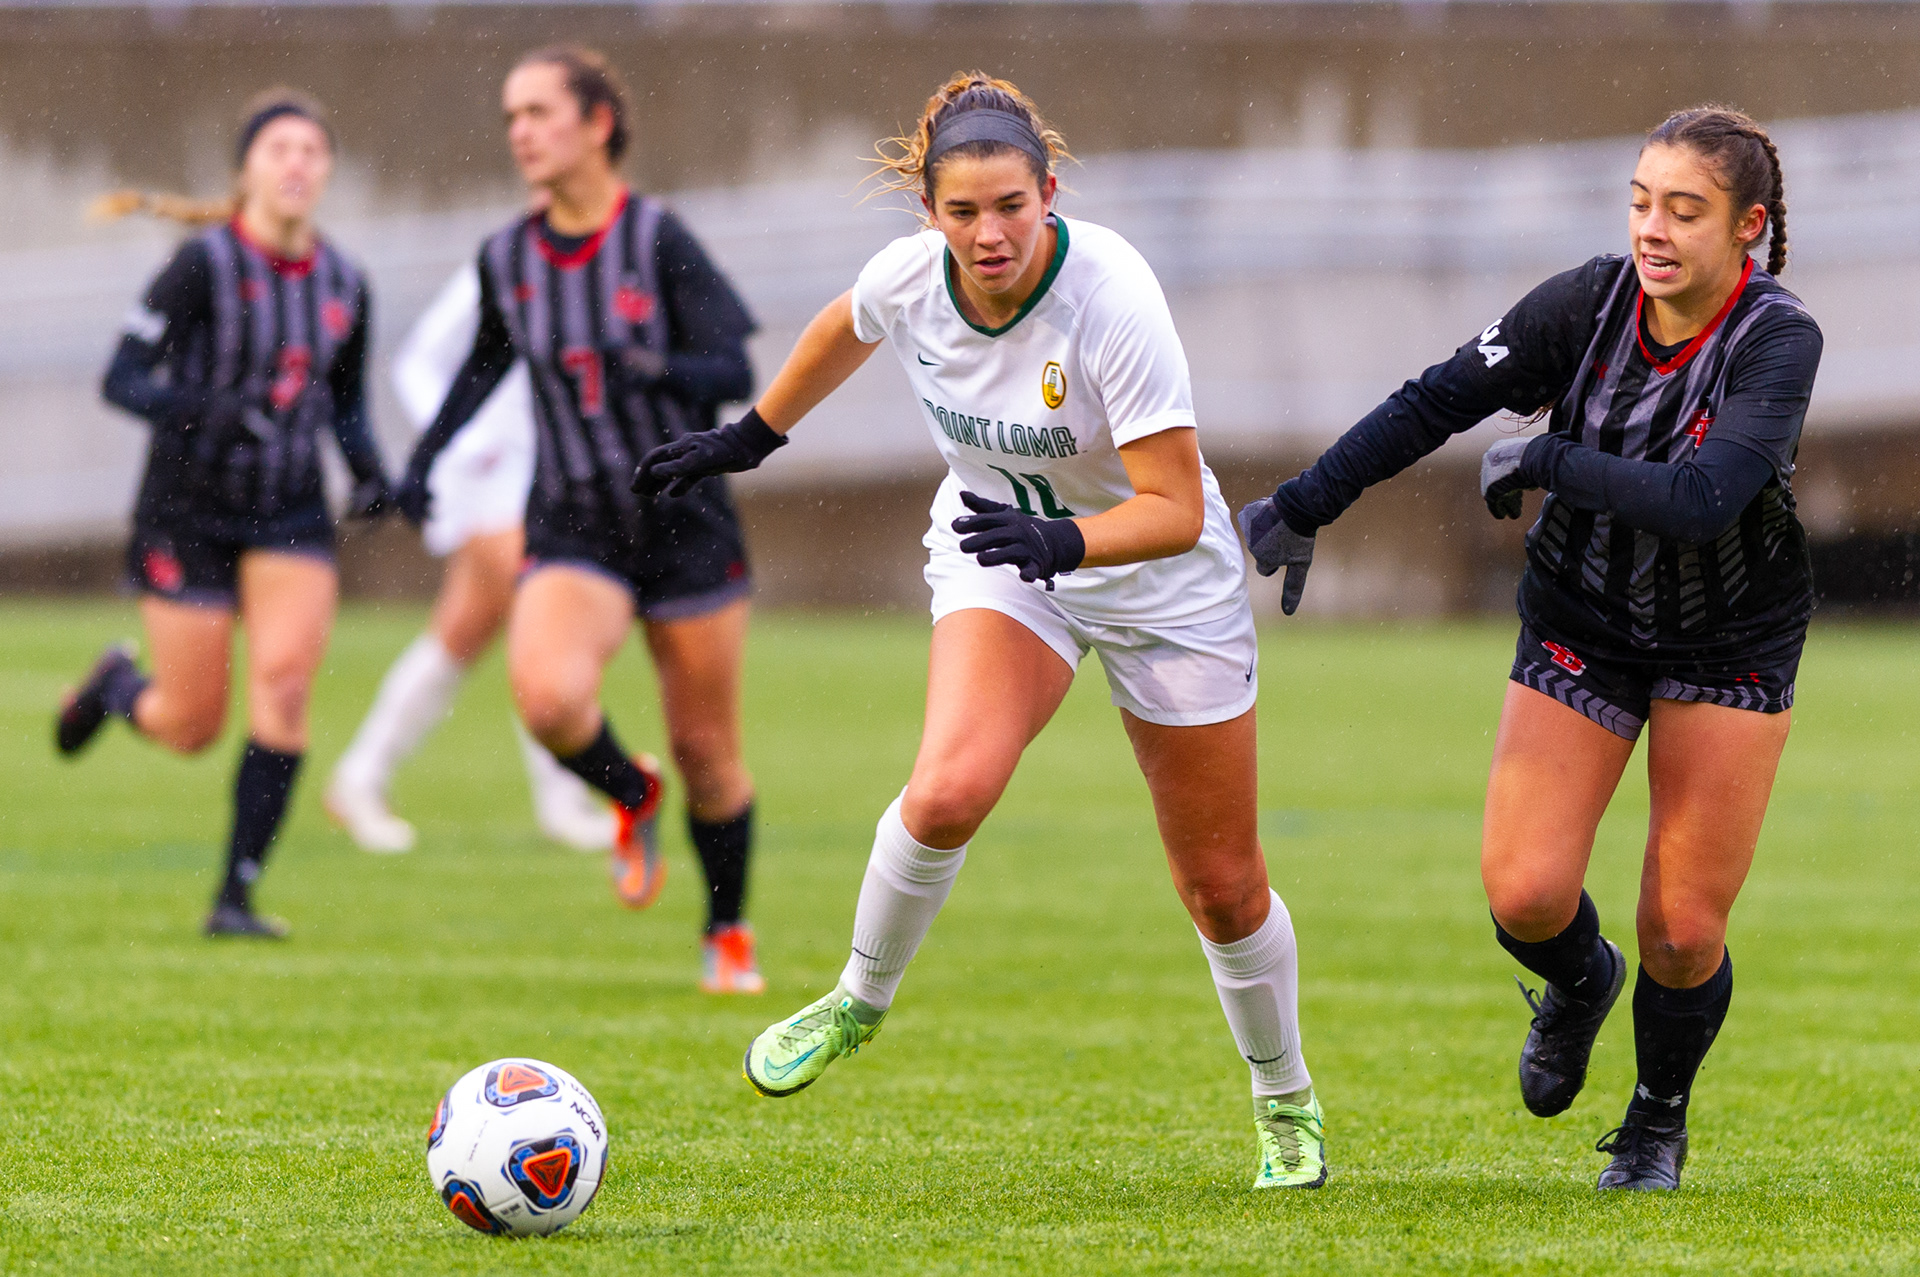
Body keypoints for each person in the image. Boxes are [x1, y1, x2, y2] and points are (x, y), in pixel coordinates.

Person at [637, 71, 1328, 1189]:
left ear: (1050, 193)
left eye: (1011, 205)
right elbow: (843, 326)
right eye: (962, 212)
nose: (989, 233)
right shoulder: (911, 277)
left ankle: (1284, 1096)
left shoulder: (1112, 294)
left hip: (1159, 582)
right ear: (930, 213)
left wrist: (1067, 539)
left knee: (1222, 886)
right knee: (948, 789)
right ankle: (857, 999)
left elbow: (1171, 507)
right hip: (1001, 552)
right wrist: (754, 436)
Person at [1237, 106, 1820, 1191]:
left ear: (1748, 226)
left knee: (1683, 929)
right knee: (1525, 894)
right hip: (1583, 616)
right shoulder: (1585, 303)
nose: (1653, 229)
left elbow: (1704, 501)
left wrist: (1550, 457)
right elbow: (1438, 399)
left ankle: (1655, 1119)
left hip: (1730, 639)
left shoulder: (1778, 338)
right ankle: (1582, 979)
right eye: (1641, 202)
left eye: (1684, 210)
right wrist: (1304, 503)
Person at [395, 46, 765, 993]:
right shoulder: (509, 255)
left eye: (539, 112)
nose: (520, 132)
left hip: (686, 525)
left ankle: (726, 930)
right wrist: (422, 466)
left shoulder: (659, 238)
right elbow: (482, 367)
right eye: (511, 116)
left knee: (708, 754)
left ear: (598, 124)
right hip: (574, 522)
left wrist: (658, 369)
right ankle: (630, 794)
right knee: (549, 700)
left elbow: (733, 369)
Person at [58, 90, 393, 939]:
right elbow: (121, 378)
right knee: (191, 725)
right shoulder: (201, 266)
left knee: (285, 685)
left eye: (311, 151)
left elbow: (346, 406)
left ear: (327, 170)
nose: (296, 164)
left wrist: (373, 477)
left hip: (289, 511)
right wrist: (201, 411)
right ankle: (115, 687)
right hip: (188, 511)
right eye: (278, 149)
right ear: (246, 169)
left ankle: (235, 898)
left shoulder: (346, 282)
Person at [325, 257, 615, 855]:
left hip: (545, 475)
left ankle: (360, 775)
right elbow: (417, 361)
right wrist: (470, 442)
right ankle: (563, 800)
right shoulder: (506, 263)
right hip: (488, 478)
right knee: (545, 620)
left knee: (461, 633)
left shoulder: (602, 263)